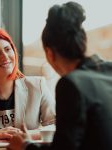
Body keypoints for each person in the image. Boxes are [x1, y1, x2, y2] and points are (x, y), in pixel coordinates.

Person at [8, 1, 112, 150]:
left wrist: (25, 146)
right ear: (82, 41)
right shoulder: (109, 70)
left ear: (50, 54)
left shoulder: (71, 84)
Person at [0, 28, 55, 141]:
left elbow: (55, 126)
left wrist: (24, 136)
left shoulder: (38, 86)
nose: (5, 56)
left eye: (7, 49)